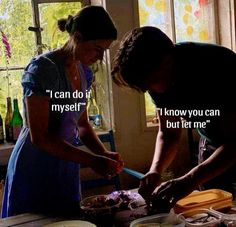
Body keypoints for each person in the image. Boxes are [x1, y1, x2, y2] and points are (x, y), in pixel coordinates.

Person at [1, 5, 124, 217]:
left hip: (66, 165)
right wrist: (93, 161)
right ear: (77, 37)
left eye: (104, 50)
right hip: (35, 164)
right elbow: (39, 137)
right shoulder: (43, 69)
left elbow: (83, 125)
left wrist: (103, 154)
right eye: (97, 48)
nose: (100, 56)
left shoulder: (84, 73)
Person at [111, 26, 236, 211]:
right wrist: (155, 170)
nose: (152, 91)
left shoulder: (219, 66)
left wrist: (191, 179)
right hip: (212, 144)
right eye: (146, 87)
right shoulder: (157, 79)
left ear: (167, 61)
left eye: (151, 82)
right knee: (214, 212)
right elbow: (168, 132)